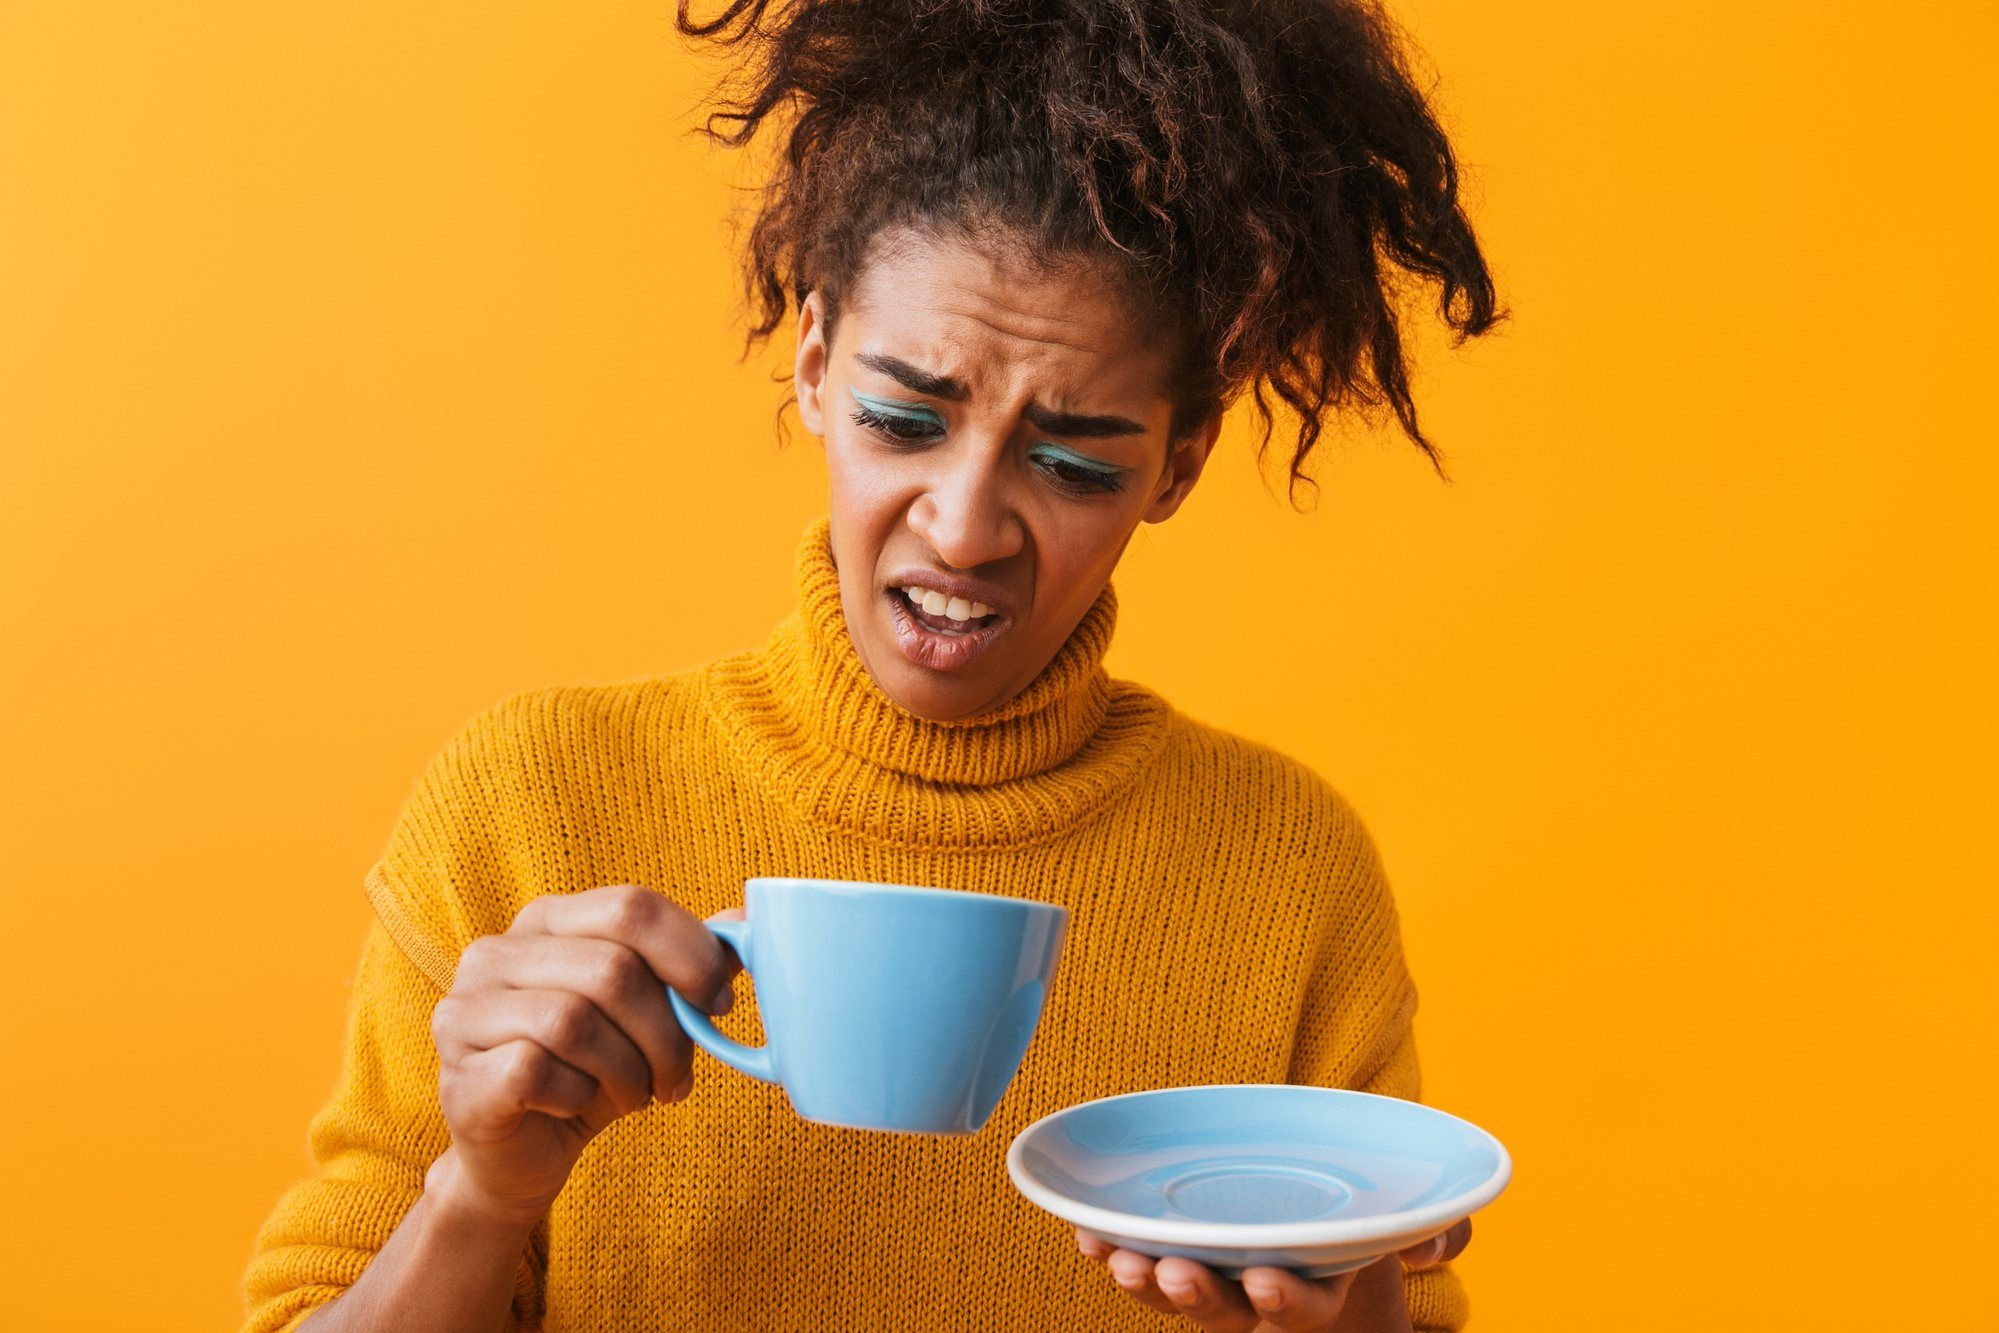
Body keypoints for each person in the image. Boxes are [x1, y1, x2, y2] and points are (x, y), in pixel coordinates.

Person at [240, 0, 1505, 1325]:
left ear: (1179, 461)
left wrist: (1350, 1310)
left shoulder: (1287, 872)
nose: (963, 527)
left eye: (1074, 459)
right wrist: (480, 1193)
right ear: (812, 359)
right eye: (903, 417)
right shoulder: (529, 805)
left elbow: (1387, 1300)